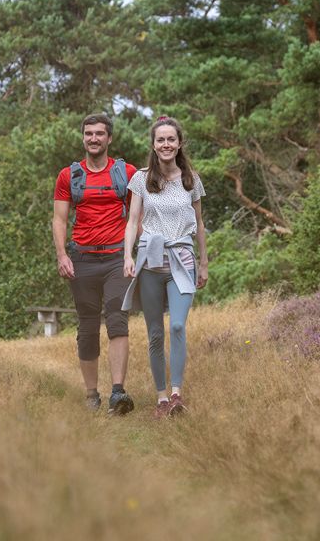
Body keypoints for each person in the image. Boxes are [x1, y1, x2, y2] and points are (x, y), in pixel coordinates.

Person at [122, 116, 208, 418]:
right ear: (154, 144)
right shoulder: (141, 179)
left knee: (177, 325)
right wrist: (128, 256)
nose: (166, 144)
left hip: (182, 259)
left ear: (179, 143)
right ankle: (161, 398)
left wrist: (204, 263)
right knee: (156, 333)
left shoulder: (191, 179)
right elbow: (132, 221)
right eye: (161, 140)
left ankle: (176, 394)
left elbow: (199, 224)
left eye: (171, 139)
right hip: (150, 260)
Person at [52, 113, 138, 414]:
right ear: (83, 137)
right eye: (88, 133)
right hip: (82, 259)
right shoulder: (69, 176)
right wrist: (62, 255)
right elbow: (59, 218)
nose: (93, 138)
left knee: (117, 319)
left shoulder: (126, 172)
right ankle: (91, 394)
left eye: (99, 134)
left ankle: (117, 392)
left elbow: (136, 216)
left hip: (116, 258)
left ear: (109, 138)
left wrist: (132, 253)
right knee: (87, 327)